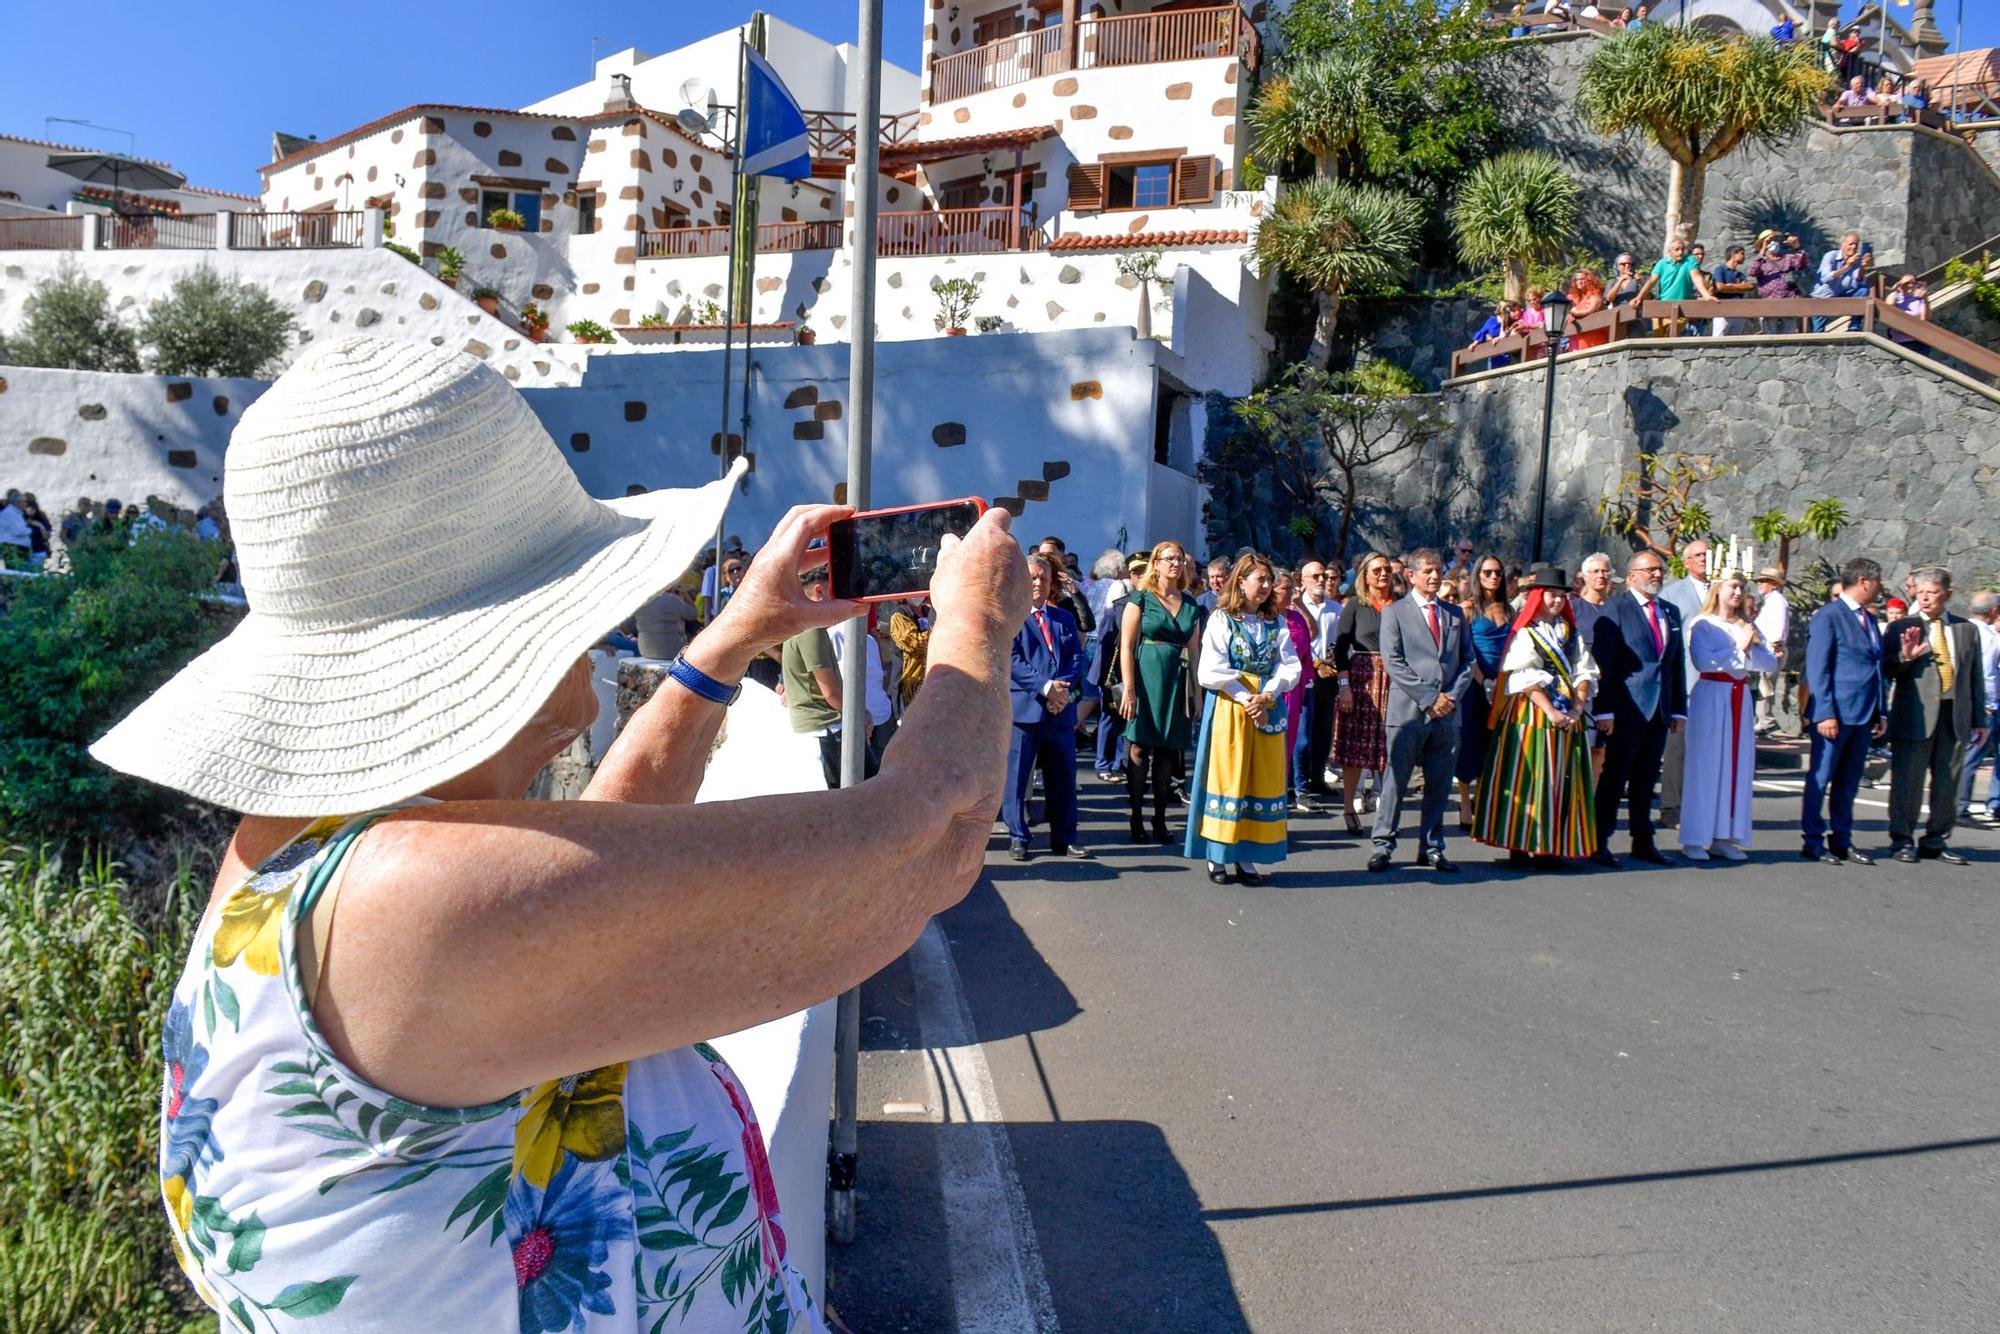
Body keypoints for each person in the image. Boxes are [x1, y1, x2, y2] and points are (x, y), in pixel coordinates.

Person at [89, 335, 1029, 1331]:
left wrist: (727, 645)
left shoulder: (315, 854)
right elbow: (929, 838)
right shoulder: (410, 904)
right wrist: (976, 628)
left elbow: (586, 867)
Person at [1473, 566, 1601, 868]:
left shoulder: (1571, 634)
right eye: (1551, 595)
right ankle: (1520, 844)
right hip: (1531, 716)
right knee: (1528, 778)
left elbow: (1585, 670)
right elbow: (1522, 675)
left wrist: (1577, 707)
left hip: (1567, 715)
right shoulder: (1526, 632)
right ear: (1537, 596)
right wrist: (1551, 710)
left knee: (1560, 781)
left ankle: (1551, 847)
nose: (1556, 601)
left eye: (1561, 596)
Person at [1187, 554, 1301, 883]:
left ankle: (1248, 855)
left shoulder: (1275, 622)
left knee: (1260, 778)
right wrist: (1245, 696)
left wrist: (1270, 693)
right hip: (1231, 706)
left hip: (1265, 705)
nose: (1266, 586)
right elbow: (1210, 669)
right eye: (1259, 580)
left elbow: (1289, 663)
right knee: (1228, 776)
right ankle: (1218, 855)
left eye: (1269, 580)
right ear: (1241, 582)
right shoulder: (1223, 618)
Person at [1368, 549, 1472, 873]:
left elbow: (1468, 661)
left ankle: (1431, 846)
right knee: (1396, 782)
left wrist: (1450, 697)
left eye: (1438, 570)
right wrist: (1430, 697)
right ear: (1411, 575)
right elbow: (1393, 662)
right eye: (1427, 570)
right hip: (1409, 711)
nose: (1434, 576)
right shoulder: (1395, 613)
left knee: (1439, 783)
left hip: (1447, 714)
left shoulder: (1455, 614)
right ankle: (1383, 844)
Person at [1881, 567, 1988, 864]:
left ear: (1948, 594)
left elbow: (1974, 678)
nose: (1925, 598)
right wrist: (1905, 656)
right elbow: (1887, 670)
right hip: (1915, 714)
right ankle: (1901, 839)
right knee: (1908, 781)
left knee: (1948, 782)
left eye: (1933, 593)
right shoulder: (1902, 626)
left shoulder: (1966, 630)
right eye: (1921, 592)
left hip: (1955, 714)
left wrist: (1979, 720)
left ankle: (1935, 840)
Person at [1590, 549, 1688, 867]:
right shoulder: (1616, 610)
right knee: (1614, 778)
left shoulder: (1669, 612)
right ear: (1632, 575)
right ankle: (1599, 841)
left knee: (1646, 781)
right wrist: (1604, 711)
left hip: (1659, 710)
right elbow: (1605, 664)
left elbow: (1674, 665)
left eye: (1659, 570)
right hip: (1626, 708)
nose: (1657, 574)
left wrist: (1677, 709)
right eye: (1650, 570)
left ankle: (1643, 840)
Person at [1681, 568, 1780, 860]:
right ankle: (1695, 838)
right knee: (1707, 764)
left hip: (1739, 697)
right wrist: (1741, 649)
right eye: (1732, 587)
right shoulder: (1703, 624)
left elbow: (1769, 663)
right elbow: (1704, 661)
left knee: (1735, 766)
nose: (1738, 593)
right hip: (1711, 695)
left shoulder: (1746, 624)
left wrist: (1750, 652)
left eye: (1741, 588)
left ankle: (1725, 836)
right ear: (1719, 589)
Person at [1800, 557, 1888, 864]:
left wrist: (1881, 711)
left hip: (1863, 714)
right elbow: (1817, 667)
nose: (1880, 588)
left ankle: (1842, 839)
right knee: (1820, 778)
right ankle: (1812, 840)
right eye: (1878, 582)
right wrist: (1824, 712)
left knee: (1848, 781)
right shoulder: (1829, 616)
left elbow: (1875, 668)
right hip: (1834, 713)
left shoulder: (1870, 619)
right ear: (1864, 581)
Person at [1004, 553, 1089, 861]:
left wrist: (1061, 690)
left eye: (1044, 577)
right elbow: (1012, 660)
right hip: (1026, 709)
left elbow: (1075, 657)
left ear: (1052, 582)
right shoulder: (1010, 617)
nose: (1038, 582)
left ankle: (1065, 837)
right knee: (1017, 777)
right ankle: (1018, 836)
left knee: (1064, 778)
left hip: (1060, 711)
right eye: (1032, 577)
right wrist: (1045, 688)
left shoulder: (1063, 618)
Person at [1120, 541, 1199, 843]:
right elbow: (1126, 647)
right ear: (1156, 563)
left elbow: (1194, 651)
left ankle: (1160, 818)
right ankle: (1137, 816)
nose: (1175, 564)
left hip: (1177, 681)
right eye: (1169, 559)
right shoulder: (1140, 598)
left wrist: (1197, 694)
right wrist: (1130, 690)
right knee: (1140, 748)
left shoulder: (1190, 604)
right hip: (1146, 675)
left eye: (1179, 559)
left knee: (1169, 752)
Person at [783, 567, 880, 788]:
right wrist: (861, 714)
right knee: (868, 794)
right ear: (819, 590)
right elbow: (831, 692)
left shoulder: (798, 626)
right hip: (829, 730)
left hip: (822, 730)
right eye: (834, 594)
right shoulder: (812, 630)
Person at [1332, 553, 1397, 834]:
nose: (1383, 574)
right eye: (1376, 570)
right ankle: (1349, 807)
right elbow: (1340, 648)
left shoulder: (1400, 605)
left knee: (1390, 744)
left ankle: (1386, 809)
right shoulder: (1355, 605)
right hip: (1363, 676)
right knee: (1355, 747)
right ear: (1365, 576)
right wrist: (1344, 687)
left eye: (1386, 569)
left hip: (1395, 677)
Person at [1656, 539, 1710, 829]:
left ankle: (1703, 805)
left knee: (1709, 750)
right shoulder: (1673, 594)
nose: (1704, 559)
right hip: (1686, 682)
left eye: (1707, 554)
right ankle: (1671, 806)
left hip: (1717, 685)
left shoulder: (1724, 589)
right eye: (1698, 555)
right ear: (1686, 561)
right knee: (1677, 750)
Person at [1456, 555, 1512, 831]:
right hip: (1474, 685)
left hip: (1504, 684)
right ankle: (1465, 803)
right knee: (1470, 741)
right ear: (1478, 575)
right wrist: (1482, 680)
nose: (1493, 577)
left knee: (1494, 743)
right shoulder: (1467, 608)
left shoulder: (1509, 609)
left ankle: (1483, 798)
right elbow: (1465, 650)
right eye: (1488, 572)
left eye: (1498, 572)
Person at [1296, 559, 1341, 805]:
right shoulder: (1296, 607)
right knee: (1304, 732)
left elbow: (1340, 642)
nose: (1321, 580)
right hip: (1305, 675)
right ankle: (1299, 781)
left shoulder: (1336, 608)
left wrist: (1332, 663)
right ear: (1303, 580)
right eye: (1315, 576)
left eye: (1324, 575)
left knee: (1324, 730)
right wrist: (1316, 664)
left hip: (1328, 677)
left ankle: (1317, 777)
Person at [1271, 568, 1317, 809]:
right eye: (1285, 589)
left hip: (1296, 689)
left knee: (1292, 742)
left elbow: (1308, 647)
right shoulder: (1263, 617)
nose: (1291, 593)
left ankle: (1284, 791)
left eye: (1292, 588)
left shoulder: (1296, 617)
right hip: (1273, 690)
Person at [1956, 591, 2000, 823]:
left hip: (1973, 703)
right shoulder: (1986, 636)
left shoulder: (1960, 629)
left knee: (1969, 755)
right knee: (1972, 756)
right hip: (1985, 705)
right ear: (1994, 611)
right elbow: (1984, 675)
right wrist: (1983, 704)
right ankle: (1960, 806)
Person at [1752, 567, 1791, 735]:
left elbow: (1779, 628)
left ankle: (1766, 721)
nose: (1760, 584)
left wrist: (1776, 646)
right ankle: (1763, 720)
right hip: (1764, 650)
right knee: (1762, 686)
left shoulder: (1777, 602)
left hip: (1770, 650)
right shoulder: (1769, 601)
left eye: (1764, 581)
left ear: (1774, 584)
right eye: (1760, 581)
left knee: (1764, 686)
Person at [1749, 230, 1810, 333]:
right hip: (1769, 304)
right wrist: (1762, 251)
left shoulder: (1787, 258)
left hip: (1787, 302)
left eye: (1775, 239)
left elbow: (1803, 264)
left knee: (1789, 335)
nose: (1773, 242)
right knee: (1770, 337)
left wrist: (1797, 247)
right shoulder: (1760, 262)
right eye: (1769, 240)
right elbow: (1753, 272)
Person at [1810, 232, 1872, 331]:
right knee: (1817, 331)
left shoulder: (1857, 260)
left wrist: (1862, 267)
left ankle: (1854, 325)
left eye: (1856, 244)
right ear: (1843, 244)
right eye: (1851, 244)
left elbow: (1857, 284)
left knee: (1863, 291)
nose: (1854, 247)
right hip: (1822, 298)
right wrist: (1847, 266)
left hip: (1840, 295)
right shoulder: (1830, 256)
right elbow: (1825, 278)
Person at [632, 574, 700, 660]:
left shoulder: (639, 601)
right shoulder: (673, 600)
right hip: (670, 650)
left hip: (645, 650)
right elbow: (693, 614)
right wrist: (685, 595)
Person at [1708, 245, 1755, 337]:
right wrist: (1740, 287)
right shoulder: (1720, 270)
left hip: (1738, 312)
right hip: (1722, 312)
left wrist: (1731, 286)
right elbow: (1720, 287)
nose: (1744, 256)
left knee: (1735, 342)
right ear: (1734, 254)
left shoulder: (1740, 274)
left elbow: (1749, 286)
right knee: (1718, 340)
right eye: (1742, 253)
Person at [1567, 268, 1611, 349]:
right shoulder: (1578, 299)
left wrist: (1574, 313)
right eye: (1577, 280)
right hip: (1583, 339)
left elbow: (1591, 310)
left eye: (1582, 279)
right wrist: (1570, 315)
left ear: (1589, 280)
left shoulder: (1595, 295)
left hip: (1597, 338)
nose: (1580, 282)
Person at [0, 490, 33, 569]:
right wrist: (29, 530)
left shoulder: (17, 513)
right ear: (18, 502)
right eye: (24, 502)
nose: (26, 504)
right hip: (13, 548)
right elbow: (17, 531)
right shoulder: (9, 513)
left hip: (20, 548)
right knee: (16, 572)